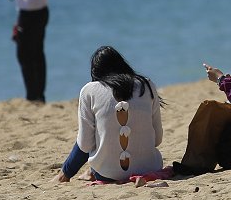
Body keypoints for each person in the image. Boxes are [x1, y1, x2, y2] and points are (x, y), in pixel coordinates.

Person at [56, 46, 166, 185]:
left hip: (108, 174)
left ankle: (64, 174)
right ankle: (88, 172)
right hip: (150, 169)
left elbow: (85, 144)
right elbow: (157, 139)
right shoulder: (147, 85)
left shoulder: (89, 90)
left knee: (92, 136)